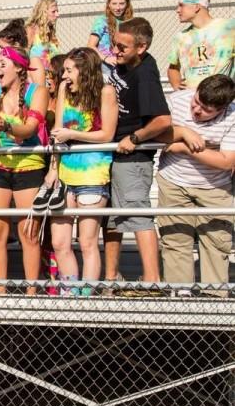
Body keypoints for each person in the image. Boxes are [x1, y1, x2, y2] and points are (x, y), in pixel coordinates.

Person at [43, 48, 118, 295]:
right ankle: (70, 290)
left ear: (84, 70)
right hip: (65, 173)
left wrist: (73, 134)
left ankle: (86, 295)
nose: (64, 76)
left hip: (92, 173)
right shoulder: (65, 90)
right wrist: (53, 168)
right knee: (60, 241)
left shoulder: (105, 92)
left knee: (87, 241)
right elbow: (57, 131)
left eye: (69, 70)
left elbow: (107, 133)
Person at [104, 17, 171, 287]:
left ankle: (152, 279)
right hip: (112, 152)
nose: (116, 50)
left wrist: (135, 137)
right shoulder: (124, 64)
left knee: (138, 213)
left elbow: (163, 121)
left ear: (141, 47)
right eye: (114, 44)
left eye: (123, 47)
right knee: (111, 218)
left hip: (133, 158)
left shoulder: (145, 74)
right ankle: (110, 277)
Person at [157, 75, 235, 294]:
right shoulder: (178, 100)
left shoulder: (233, 116)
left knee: (215, 242)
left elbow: (226, 161)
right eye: (196, 101)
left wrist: (184, 148)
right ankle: (179, 297)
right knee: (175, 240)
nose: (197, 110)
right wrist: (182, 132)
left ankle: (214, 300)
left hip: (215, 188)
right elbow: (157, 131)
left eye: (206, 109)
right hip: (174, 182)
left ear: (223, 108)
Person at [0, 46, 50, 295]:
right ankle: (1, 292)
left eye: (3, 62)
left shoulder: (38, 91)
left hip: (29, 164)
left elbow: (31, 128)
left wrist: (7, 126)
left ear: (20, 67)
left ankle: (31, 293)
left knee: (29, 231)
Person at [168, 0, 234, 90]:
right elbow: (173, 68)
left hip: (221, 100)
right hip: (191, 100)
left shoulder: (229, 28)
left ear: (196, 7)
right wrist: (177, 88)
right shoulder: (180, 37)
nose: (177, 10)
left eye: (182, 5)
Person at [87, 0, 133, 75]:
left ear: (127, 4)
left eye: (121, 4)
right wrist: (106, 58)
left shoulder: (129, 22)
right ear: (109, 4)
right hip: (105, 67)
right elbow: (90, 45)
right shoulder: (102, 21)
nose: (118, 8)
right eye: (114, 4)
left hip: (124, 66)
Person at [26, 0, 61, 86]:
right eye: (54, 12)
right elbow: (24, 55)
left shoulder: (50, 31)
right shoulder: (31, 29)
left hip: (52, 80)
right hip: (36, 81)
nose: (57, 15)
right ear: (43, 12)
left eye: (57, 11)